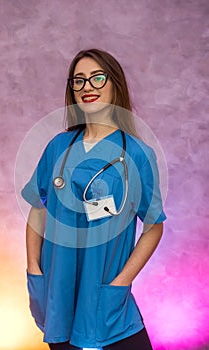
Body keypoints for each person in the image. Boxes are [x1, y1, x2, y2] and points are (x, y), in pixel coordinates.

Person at [21, 48, 166, 350]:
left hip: (105, 291)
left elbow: (154, 225)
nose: (87, 87)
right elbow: (38, 209)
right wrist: (34, 267)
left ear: (115, 84)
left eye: (98, 78)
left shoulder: (137, 154)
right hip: (58, 289)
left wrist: (123, 280)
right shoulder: (58, 146)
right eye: (79, 80)